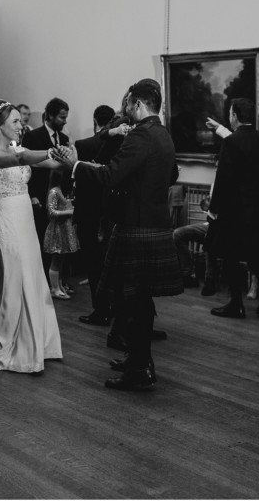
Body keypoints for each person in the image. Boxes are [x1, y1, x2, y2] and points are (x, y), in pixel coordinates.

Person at [58, 78, 182, 390]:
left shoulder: (141, 134)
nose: (124, 110)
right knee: (137, 303)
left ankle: (140, 369)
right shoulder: (163, 134)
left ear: (139, 105)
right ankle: (139, 360)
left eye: (128, 104)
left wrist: (75, 166)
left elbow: (111, 175)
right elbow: (171, 174)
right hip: (153, 223)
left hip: (136, 227)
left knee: (133, 303)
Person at [0, 99, 65, 374]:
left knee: (30, 270)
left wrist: (67, 156)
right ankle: (8, 337)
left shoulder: (18, 146)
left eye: (21, 121)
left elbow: (50, 164)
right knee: (12, 271)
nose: (21, 126)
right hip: (6, 215)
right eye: (15, 122)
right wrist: (50, 150)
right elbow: (20, 160)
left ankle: (38, 341)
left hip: (25, 217)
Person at [207, 98, 259, 319]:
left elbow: (224, 178)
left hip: (235, 210)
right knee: (255, 255)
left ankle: (236, 304)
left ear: (234, 115)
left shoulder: (232, 142)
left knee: (231, 257)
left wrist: (213, 208)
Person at [74, 104, 115, 325]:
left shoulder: (83, 145)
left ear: (94, 121)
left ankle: (100, 310)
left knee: (93, 264)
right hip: (110, 212)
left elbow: (78, 179)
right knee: (112, 265)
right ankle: (115, 308)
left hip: (88, 212)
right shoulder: (120, 143)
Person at [21, 97, 70, 273]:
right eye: (61, 117)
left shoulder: (63, 138)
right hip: (39, 195)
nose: (64, 121)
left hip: (58, 195)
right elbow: (26, 167)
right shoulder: (32, 136)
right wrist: (32, 194)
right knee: (41, 236)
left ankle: (57, 279)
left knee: (57, 239)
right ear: (49, 115)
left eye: (65, 117)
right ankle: (41, 277)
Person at [44, 169, 80, 299]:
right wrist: (70, 212)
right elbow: (52, 212)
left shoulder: (60, 191)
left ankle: (59, 285)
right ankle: (54, 288)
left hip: (63, 228)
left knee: (61, 259)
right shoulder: (54, 192)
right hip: (57, 229)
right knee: (56, 259)